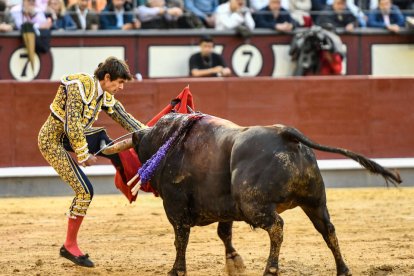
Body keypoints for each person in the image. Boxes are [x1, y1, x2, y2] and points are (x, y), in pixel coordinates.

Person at [38, 56, 146, 267]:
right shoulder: (78, 86)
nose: (121, 87)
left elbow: (124, 117)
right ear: (107, 77)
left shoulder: (103, 94)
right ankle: (69, 246)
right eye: (119, 82)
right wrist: (83, 153)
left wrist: (149, 132)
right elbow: (72, 124)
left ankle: (126, 168)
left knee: (106, 140)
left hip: (71, 138)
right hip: (53, 141)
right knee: (85, 191)